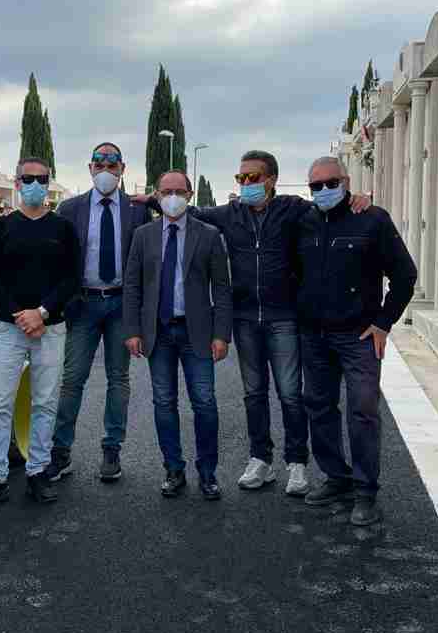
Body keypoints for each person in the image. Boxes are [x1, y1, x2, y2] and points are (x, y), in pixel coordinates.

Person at [138, 151, 368, 498]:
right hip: (246, 319)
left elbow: (327, 208)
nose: (246, 184)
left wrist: (356, 199)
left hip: (284, 317)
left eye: (253, 178)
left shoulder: (293, 209)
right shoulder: (230, 215)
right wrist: (148, 200)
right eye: (241, 178)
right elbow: (192, 212)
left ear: (271, 180)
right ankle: (260, 459)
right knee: (254, 394)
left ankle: (296, 463)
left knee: (291, 394)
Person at [293, 156, 416, 526]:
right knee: (319, 406)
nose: (324, 191)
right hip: (314, 334)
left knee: (363, 410)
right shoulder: (303, 220)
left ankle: (366, 492)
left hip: (358, 335)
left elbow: (405, 275)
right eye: (316, 186)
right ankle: (336, 478)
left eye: (331, 183)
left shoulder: (372, 219)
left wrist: (383, 323)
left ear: (346, 182)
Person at [0, 156, 81, 512]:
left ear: (49, 183)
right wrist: (21, 314)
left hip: (51, 326)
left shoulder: (63, 229)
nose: (35, 184)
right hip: (9, 327)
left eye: (42, 178)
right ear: (17, 183)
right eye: (28, 178)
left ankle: (38, 472)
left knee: (45, 402)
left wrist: (43, 313)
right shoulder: (1, 229)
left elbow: (72, 279)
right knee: (0, 402)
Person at [44, 142, 152, 484]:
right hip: (83, 305)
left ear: (123, 169)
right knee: (72, 379)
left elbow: (146, 263)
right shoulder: (69, 209)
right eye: (99, 164)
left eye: (113, 164)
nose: (106, 170)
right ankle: (60, 453)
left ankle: (112, 450)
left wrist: (142, 315)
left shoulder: (136, 211)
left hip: (122, 305)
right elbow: (56, 260)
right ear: (90, 168)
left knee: (118, 380)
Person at [123, 170, 233, 499]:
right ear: (156, 195)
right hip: (157, 332)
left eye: (179, 191)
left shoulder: (210, 235)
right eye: (166, 191)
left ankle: (208, 473)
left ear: (189, 195)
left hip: (196, 332)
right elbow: (132, 285)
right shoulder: (143, 235)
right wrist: (132, 330)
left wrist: (221, 335)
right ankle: (173, 469)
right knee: (163, 402)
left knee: (205, 402)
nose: (173, 197)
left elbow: (223, 290)